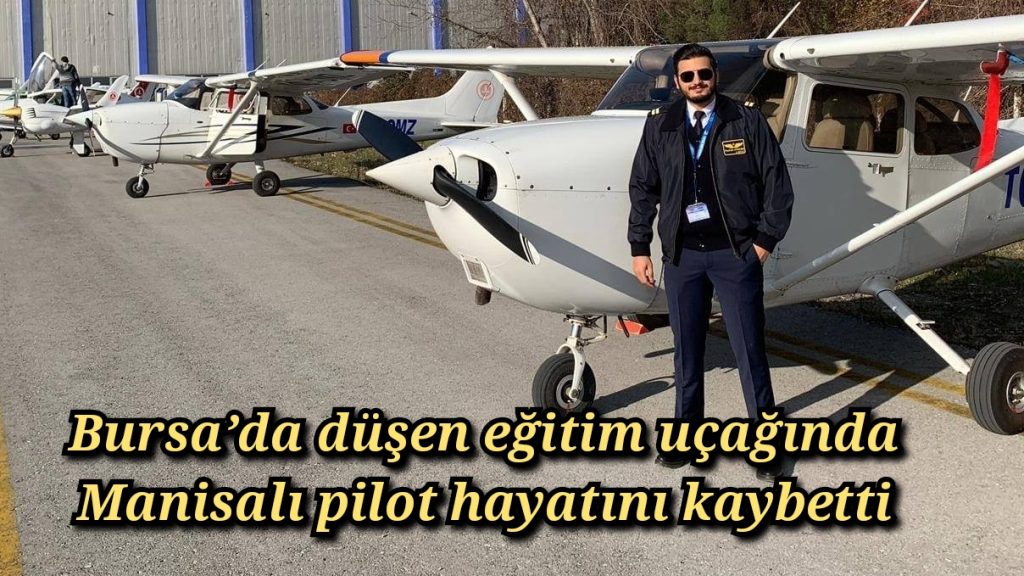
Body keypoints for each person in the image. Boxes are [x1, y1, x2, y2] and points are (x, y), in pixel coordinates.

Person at [627, 44, 794, 482]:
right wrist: (639, 246)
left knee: (749, 351)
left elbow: (777, 184)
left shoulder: (746, 120)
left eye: (703, 73)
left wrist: (763, 242)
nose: (697, 81)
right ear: (677, 82)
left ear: (715, 74)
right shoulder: (661, 125)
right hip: (683, 257)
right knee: (687, 352)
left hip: (734, 255)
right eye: (688, 76)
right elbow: (643, 188)